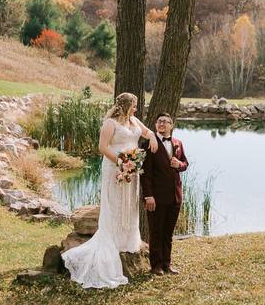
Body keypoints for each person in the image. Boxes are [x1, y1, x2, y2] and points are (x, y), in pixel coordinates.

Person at [62, 92, 158, 289]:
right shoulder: (110, 123)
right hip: (115, 167)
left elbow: (147, 133)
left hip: (131, 169)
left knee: (129, 202)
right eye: (134, 105)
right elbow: (103, 147)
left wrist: (153, 138)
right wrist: (123, 162)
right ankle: (113, 239)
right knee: (115, 202)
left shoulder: (134, 120)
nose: (136, 109)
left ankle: (128, 240)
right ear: (125, 105)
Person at [140, 112, 188, 275]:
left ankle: (167, 264)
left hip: (175, 196)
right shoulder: (147, 144)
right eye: (159, 121)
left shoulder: (178, 143)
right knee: (156, 232)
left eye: (166, 122)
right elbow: (145, 174)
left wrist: (179, 164)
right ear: (155, 125)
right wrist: (148, 196)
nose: (162, 124)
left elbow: (186, 164)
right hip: (156, 197)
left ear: (171, 125)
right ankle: (156, 266)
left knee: (168, 233)